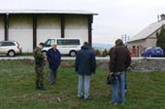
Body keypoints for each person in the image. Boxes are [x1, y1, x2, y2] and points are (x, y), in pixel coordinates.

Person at [109, 39, 131, 105]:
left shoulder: (114, 49)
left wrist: (111, 70)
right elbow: (129, 60)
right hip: (122, 70)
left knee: (115, 86)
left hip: (115, 70)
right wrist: (125, 67)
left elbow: (112, 61)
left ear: (116, 43)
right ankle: (122, 101)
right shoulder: (126, 50)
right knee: (122, 86)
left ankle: (114, 101)